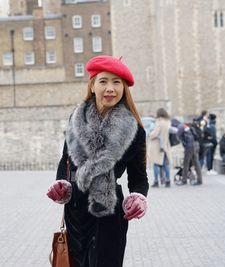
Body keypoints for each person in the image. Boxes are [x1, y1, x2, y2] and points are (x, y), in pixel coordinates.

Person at [46, 55, 149, 267]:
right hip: (76, 211)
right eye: (103, 81)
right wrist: (61, 185)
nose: (110, 88)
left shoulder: (135, 130)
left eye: (116, 82)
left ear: (124, 89)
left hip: (110, 214)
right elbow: (65, 161)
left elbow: (139, 177)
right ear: (92, 86)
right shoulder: (76, 120)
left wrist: (138, 197)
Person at [148, 108, 172, 188]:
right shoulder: (168, 121)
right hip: (165, 145)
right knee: (165, 165)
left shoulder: (159, 121)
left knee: (156, 163)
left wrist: (150, 135)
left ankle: (156, 181)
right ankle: (168, 181)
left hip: (157, 145)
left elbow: (155, 133)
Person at [176, 121, 203, 185]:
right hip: (195, 145)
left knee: (186, 163)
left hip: (189, 146)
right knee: (196, 162)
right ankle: (200, 180)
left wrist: (184, 144)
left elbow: (178, 136)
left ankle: (184, 180)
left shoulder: (180, 127)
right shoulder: (191, 128)